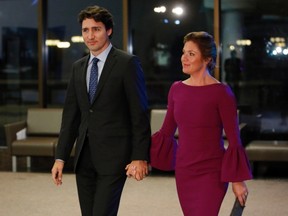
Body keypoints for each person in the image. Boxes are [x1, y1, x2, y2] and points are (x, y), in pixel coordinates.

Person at [51, 5, 150, 216]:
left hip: (114, 158)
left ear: (109, 30)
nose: (90, 35)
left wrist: (139, 156)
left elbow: (139, 113)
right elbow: (70, 117)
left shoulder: (127, 63)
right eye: (85, 30)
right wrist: (60, 158)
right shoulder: (78, 67)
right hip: (83, 158)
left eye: (96, 29)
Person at [150, 31, 252, 215]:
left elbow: (234, 139)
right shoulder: (176, 89)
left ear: (206, 59)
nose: (184, 58)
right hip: (184, 169)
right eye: (183, 53)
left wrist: (237, 180)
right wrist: (140, 155)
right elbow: (166, 131)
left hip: (212, 170)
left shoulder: (222, 92)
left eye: (191, 54)